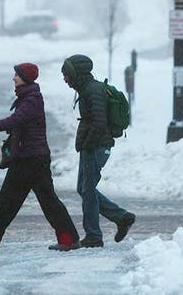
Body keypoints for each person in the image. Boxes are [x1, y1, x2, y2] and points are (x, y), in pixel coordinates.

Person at [0, 62, 80, 253]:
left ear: (24, 78)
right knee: (46, 202)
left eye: (16, 75)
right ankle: (69, 240)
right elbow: (19, 124)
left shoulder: (31, 100)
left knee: (9, 200)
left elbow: (13, 121)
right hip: (33, 158)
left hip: (29, 160)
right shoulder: (29, 98)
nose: (13, 78)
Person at [61, 54, 135, 248]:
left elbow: (99, 123)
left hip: (96, 147)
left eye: (67, 74)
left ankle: (94, 235)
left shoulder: (92, 91)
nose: (65, 79)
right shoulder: (86, 89)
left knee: (88, 190)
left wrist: (87, 144)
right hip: (93, 146)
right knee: (84, 189)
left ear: (77, 73)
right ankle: (121, 217)